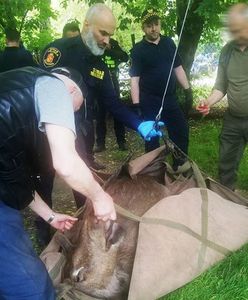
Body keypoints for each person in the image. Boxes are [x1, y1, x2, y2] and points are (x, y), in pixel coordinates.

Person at [0, 65, 124, 299]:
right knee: (31, 290)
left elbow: (13, 180)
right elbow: (66, 164)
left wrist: (50, 215)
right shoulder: (54, 87)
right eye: (75, 109)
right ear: (71, 90)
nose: (72, 116)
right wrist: (100, 197)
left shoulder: (15, 103)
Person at [130, 8, 192, 168]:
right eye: (149, 25)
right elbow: (134, 80)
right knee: (151, 139)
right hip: (149, 100)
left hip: (170, 100)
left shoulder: (169, 43)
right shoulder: (138, 50)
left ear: (160, 25)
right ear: (143, 28)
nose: (153, 28)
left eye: (156, 24)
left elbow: (178, 69)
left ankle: (180, 166)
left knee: (181, 132)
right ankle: (154, 170)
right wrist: (136, 105)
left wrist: (187, 90)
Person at [197, 3, 248, 191]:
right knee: (225, 165)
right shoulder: (227, 51)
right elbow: (221, 86)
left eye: (238, 29)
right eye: (231, 30)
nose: (234, 34)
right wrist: (208, 102)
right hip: (233, 119)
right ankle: (228, 201)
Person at [94, 38, 129, 152]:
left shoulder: (113, 43)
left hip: (113, 81)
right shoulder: (93, 42)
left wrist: (110, 49)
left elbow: (124, 57)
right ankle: (100, 143)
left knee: (117, 112)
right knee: (100, 114)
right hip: (98, 81)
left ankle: (121, 142)